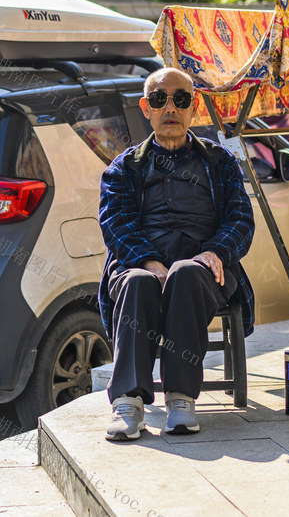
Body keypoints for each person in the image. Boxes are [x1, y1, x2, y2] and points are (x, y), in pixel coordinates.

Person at [97, 67, 255, 441]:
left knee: (185, 272)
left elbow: (241, 218)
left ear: (193, 107)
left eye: (180, 99)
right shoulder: (125, 167)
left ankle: (181, 398)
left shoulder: (219, 161)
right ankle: (127, 403)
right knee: (138, 281)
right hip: (139, 264)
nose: (170, 108)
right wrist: (150, 262)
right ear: (146, 108)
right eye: (159, 99)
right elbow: (115, 223)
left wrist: (216, 251)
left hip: (203, 269)